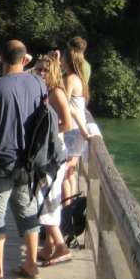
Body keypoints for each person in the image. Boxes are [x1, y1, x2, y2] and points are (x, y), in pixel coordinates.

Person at [0, 39, 47, 279]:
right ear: (25, 58)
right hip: (28, 162)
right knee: (27, 212)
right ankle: (31, 264)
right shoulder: (39, 83)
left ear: (2, 59)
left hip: (1, 161)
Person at [33, 55, 73, 265]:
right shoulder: (42, 91)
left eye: (44, 70)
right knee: (49, 199)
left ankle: (61, 246)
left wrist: (48, 131)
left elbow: (68, 124)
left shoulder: (57, 93)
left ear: (54, 73)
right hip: (44, 152)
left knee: (44, 199)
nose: (40, 73)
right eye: (38, 69)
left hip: (53, 153)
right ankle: (49, 247)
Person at [62, 45, 91, 202]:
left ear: (68, 60)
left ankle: (66, 210)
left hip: (71, 129)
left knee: (64, 174)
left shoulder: (69, 79)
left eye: (63, 57)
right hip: (78, 129)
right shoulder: (80, 79)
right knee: (70, 172)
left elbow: (66, 106)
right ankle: (70, 207)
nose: (60, 60)